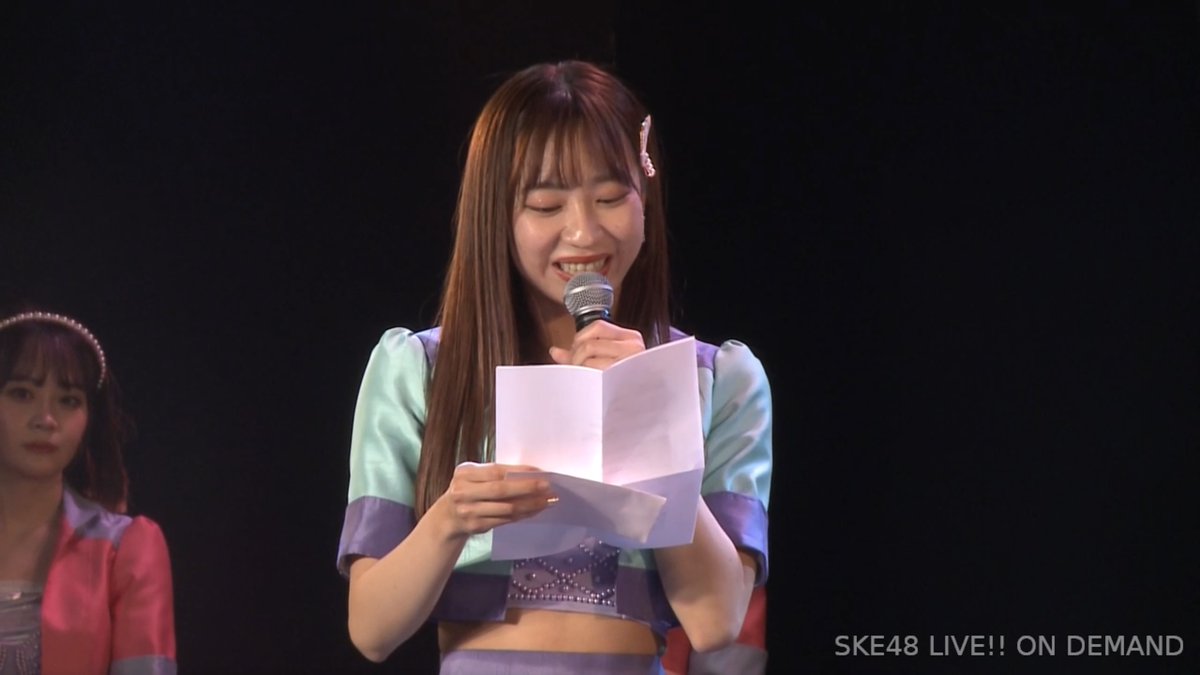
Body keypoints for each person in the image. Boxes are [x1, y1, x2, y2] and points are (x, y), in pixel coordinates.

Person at [337, 60, 772, 674]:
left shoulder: (717, 380)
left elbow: (716, 621)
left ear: (645, 198)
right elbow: (371, 630)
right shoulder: (422, 369)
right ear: (497, 215)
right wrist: (451, 519)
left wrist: (649, 414)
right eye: (546, 205)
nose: (583, 232)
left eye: (610, 198)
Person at [0, 310, 176, 675]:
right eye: (22, 393)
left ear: (88, 419)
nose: (45, 419)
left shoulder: (125, 549)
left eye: (68, 400)